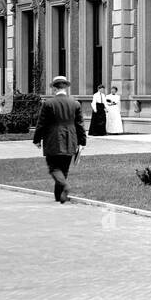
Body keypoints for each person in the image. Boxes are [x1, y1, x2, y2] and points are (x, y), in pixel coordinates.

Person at [32, 75, 87, 204]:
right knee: (64, 168)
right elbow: (80, 125)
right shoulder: (75, 103)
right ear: (66, 88)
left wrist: (36, 139)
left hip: (53, 138)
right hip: (70, 138)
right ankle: (59, 196)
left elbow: (41, 124)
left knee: (54, 167)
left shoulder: (48, 103)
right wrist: (82, 142)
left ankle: (65, 186)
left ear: (54, 89)